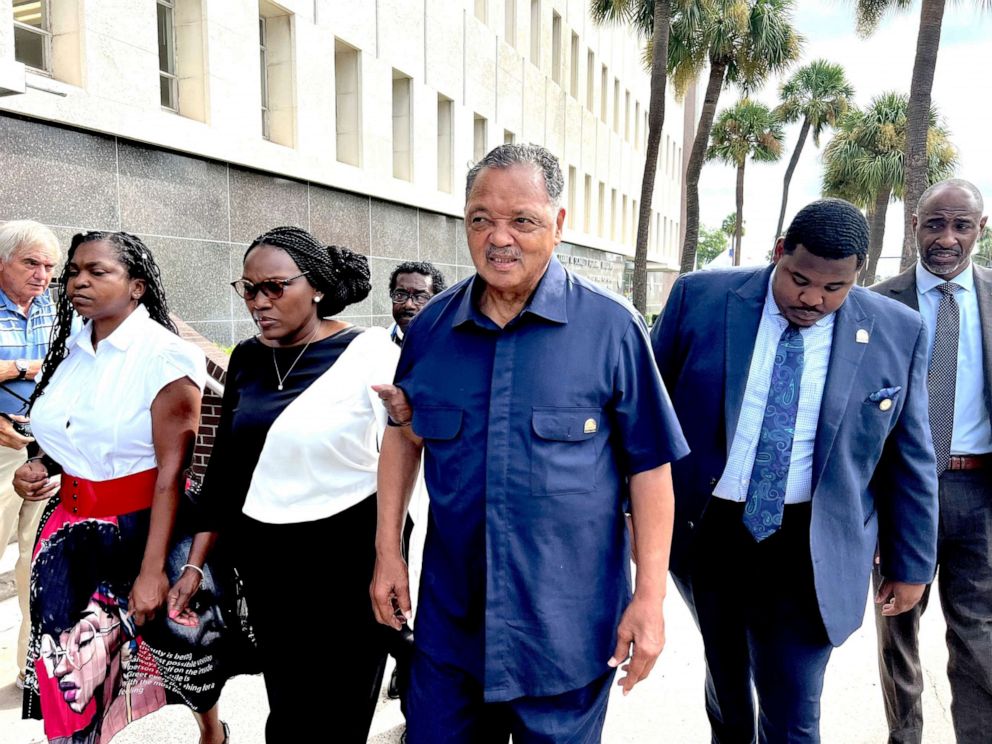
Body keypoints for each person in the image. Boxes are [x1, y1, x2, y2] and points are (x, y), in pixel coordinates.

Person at [371, 143, 688, 743]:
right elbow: (405, 435)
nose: (499, 238)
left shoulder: (611, 329)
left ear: (559, 224)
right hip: (451, 631)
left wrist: (650, 599)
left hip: (566, 631)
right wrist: (388, 550)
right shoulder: (432, 329)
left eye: (523, 220)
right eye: (481, 219)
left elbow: (650, 470)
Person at [651, 198, 939, 743]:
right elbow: (647, 414)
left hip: (812, 546)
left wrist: (913, 562)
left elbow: (911, 455)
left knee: (794, 709)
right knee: (728, 689)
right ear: (779, 252)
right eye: (799, 279)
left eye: (834, 289)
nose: (812, 299)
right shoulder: (701, 299)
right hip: (708, 535)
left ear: (859, 275)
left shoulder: (897, 331)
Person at [176, 226, 399, 743]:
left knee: (339, 712)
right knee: (288, 709)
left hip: (348, 560)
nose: (259, 302)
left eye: (275, 287)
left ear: (316, 286)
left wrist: (393, 556)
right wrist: (195, 561)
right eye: (249, 288)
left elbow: (404, 458)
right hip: (268, 564)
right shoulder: (249, 359)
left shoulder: (371, 354)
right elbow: (225, 467)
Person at [13, 230, 230, 744]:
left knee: (187, 656)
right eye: (73, 272)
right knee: (69, 670)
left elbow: (171, 473)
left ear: (136, 287)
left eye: (97, 271)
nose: (78, 282)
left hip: (144, 529)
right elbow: (69, 430)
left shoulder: (166, 356)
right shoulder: (71, 347)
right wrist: (42, 465)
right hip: (68, 534)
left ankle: (211, 729)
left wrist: (153, 570)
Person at [872, 178, 992, 744]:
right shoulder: (875, 301)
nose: (947, 238)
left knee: (980, 637)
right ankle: (906, 737)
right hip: (901, 493)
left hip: (978, 491)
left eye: (961, 225)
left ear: (980, 230)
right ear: (914, 226)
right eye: (935, 223)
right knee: (898, 629)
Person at [0, 220, 61, 690]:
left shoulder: (56, 310)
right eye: (31, 263)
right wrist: (26, 366)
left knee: (36, 561)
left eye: (49, 267)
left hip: (45, 449)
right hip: (1, 450)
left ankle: (28, 670)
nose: (42, 275)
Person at [384, 260, 447, 709]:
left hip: (423, 497)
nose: (408, 303)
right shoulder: (371, 348)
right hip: (380, 489)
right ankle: (401, 660)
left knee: (415, 589)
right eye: (401, 294)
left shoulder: (444, 347)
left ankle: (409, 668)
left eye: (418, 295)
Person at [388, 261, 448, 345]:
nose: (408, 305)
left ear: (437, 302)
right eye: (400, 295)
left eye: (420, 297)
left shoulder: (450, 346)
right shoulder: (375, 345)